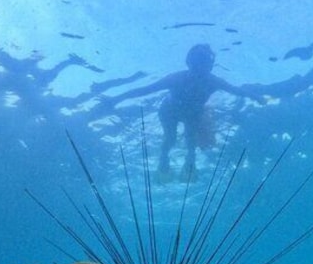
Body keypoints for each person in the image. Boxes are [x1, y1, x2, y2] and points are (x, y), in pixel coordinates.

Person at [99, 44, 264, 180]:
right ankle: (166, 158)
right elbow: (145, 90)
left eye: (203, 63)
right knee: (172, 139)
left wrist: (255, 96)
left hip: (190, 114)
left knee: (190, 143)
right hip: (170, 112)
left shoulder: (210, 81)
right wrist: (115, 100)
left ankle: (182, 161)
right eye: (198, 62)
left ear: (209, 65)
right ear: (189, 63)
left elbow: (236, 90)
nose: (200, 68)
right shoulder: (183, 79)